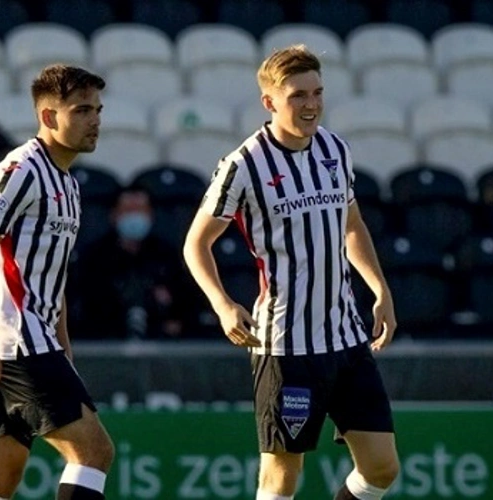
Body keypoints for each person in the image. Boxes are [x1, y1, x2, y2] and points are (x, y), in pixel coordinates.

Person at [183, 44, 400, 500]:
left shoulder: (335, 149)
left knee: (382, 468)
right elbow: (195, 244)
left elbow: (352, 224)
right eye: (298, 95)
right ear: (270, 101)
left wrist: (379, 289)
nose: (311, 104)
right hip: (286, 344)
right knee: (281, 478)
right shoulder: (243, 165)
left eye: (317, 92)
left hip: (346, 337)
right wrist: (223, 304)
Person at [0, 64, 114, 500]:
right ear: (48, 116)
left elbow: (49, 276)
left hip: (31, 342)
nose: (95, 120)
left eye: (98, 110)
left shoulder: (69, 184)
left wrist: (63, 344)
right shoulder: (20, 169)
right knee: (94, 452)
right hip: (18, 342)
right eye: (82, 110)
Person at [75, 185, 197, 339]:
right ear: (114, 215)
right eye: (128, 210)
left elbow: (186, 303)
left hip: (161, 339)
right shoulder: (95, 256)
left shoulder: (167, 255)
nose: (134, 215)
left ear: (151, 215)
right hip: (106, 338)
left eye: (140, 210)